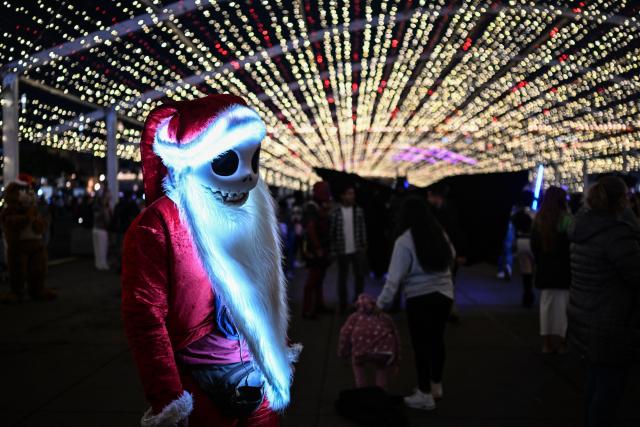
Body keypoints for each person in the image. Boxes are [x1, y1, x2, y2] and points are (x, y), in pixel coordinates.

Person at [121, 95, 299, 426]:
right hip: (198, 376)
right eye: (227, 161)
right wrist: (168, 396)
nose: (248, 177)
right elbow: (144, 316)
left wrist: (277, 347)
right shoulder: (160, 224)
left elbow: (265, 292)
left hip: (255, 369)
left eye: (253, 161)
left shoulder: (248, 213)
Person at [568, 176, 640, 427]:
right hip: (610, 324)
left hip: (584, 316)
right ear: (621, 201)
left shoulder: (582, 229)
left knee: (594, 384)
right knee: (608, 392)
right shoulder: (617, 236)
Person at [376, 196, 455, 411]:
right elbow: (452, 256)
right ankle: (436, 385)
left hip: (420, 298)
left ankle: (424, 394)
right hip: (445, 295)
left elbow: (394, 279)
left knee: (421, 345)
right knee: (437, 340)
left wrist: (380, 305)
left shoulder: (405, 240)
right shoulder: (440, 234)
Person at [0, 176, 55, 303]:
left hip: (36, 245)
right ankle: (17, 292)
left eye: (29, 191)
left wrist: (40, 223)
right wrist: (27, 218)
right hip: (19, 247)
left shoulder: (33, 209)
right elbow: (10, 222)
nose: (29, 194)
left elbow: (40, 226)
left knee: (38, 269)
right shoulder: (10, 210)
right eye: (23, 191)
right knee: (18, 270)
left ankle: (37, 290)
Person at [531, 186, 572, 353]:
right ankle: (562, 344)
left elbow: (534, 246)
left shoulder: (539, 219)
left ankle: (546, 344)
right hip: (564, 270)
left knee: (546, 306)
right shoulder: (568, 219)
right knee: (564, 308)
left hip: (545, 269)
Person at [338, 293, 400, 391]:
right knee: (381, 367)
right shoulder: (384, 317)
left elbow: (344, 334)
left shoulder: (354, 317)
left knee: (357, 364)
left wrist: (343, 353)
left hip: (360, 352)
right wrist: (396, 359)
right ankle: (381, 393)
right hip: (383, 351)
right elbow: (395, 335)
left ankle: (361, 391)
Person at [426, 183, 467, 323]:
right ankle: (448, 310)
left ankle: (449, 310)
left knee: (446, 282)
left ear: (435, 196)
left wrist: (460, 253)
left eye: (429, 196)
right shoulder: (439, 210)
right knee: (446, 281)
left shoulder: (446, 211)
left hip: (448, 252)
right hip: (444, 251)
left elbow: (456, 232)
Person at [330, 184, 368, 313]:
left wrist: (363, 245)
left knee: (359, 277)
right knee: (343, 278)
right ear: (343, 196)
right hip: (342, 249)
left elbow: (362, 228)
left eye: (353, 194)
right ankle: (343, 304)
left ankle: (358, 303)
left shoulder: (358, 210)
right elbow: (332, 231)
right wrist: (333, 249)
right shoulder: (336, 212)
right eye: (349, 193)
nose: (352, 196)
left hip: (357, 249)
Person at [301, 181, 333, 319]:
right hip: (316, 250)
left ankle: (319, 305)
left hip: (322, 248)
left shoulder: (319, 205)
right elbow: (311, 228)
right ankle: (308, 309)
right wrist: (318, 247)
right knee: (312, 280)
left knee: (319, 278)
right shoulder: (312, 207)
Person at [512, 204, 535, 307]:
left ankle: (527, 296)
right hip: (531, 240)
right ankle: (530, 296)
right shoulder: (532, 214)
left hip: (520, 240)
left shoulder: (515, 215)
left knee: (526, 272)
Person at [92, 191, 111, 271]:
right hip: (102, 230)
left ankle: (98, 264)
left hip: (95, 229)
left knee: (97, 249)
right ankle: (103, 264)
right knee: (102, 249)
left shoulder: (96, 207)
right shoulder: (104, 208)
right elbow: (107, 220)